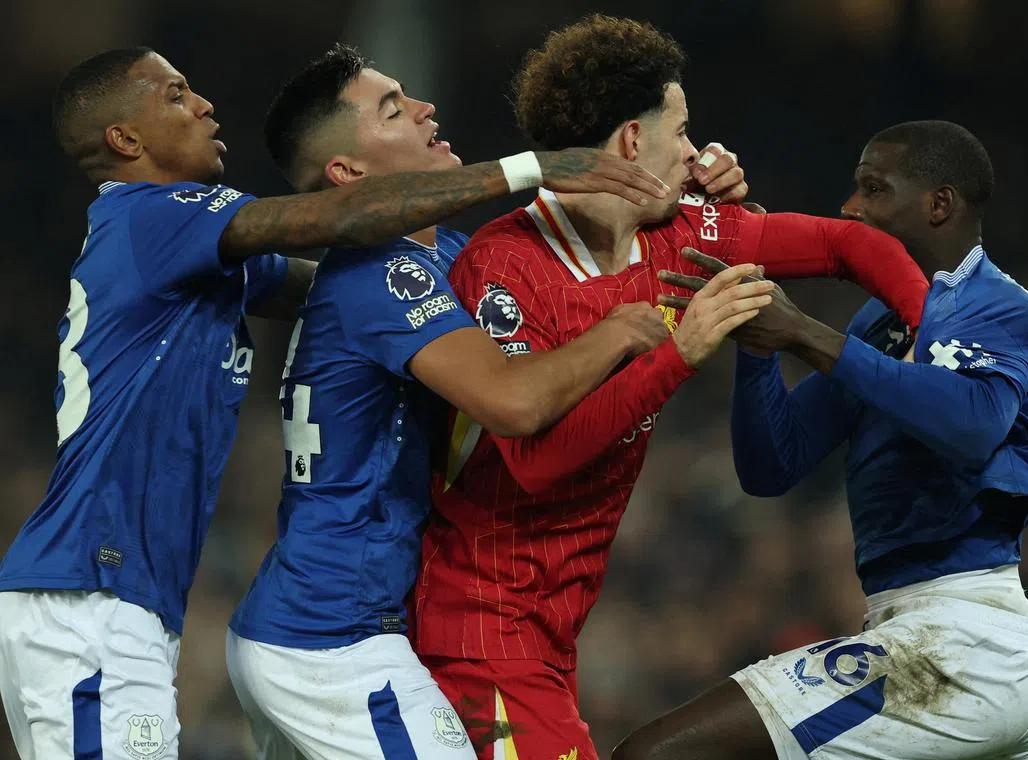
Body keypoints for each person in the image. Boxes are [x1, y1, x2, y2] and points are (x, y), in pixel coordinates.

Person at [0, 45, 668, 760]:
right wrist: (533, 170)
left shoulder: (193, 254)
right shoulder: (154, 217)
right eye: (174, 95)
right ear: (124, 140)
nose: (203, 105)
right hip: (99, 597)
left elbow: (345, 287)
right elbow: (347, 228)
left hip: (141, 601)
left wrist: (681, 210)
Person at [410, 15, 931, 760]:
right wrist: (678, 356)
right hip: (479, 629)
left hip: (551, 632)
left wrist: (928, 331)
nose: (695, 152)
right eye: (681, 129)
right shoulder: (504, 269)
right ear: (631, 141)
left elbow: (847, 244)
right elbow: (534, 461)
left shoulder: (680, 235)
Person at [223, 43, 760, 760]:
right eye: (392, 109)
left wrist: (690, 188)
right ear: (349, 174)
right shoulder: (385, 276)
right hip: (335, 639)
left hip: (323, 623)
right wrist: (626, 334)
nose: (425, 109)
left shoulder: (440, 257)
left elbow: (573, 255)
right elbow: (513, 403)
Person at [615, 121, 1028, 760]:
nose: (851, 208)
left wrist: (804, 334)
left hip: (970, 641)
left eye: (874, 189)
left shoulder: (994, 304)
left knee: (656, 753)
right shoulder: (878, 322)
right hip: (914, 630)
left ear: (940, 204)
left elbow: (972, 425)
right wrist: (758, 332)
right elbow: (773, 465)